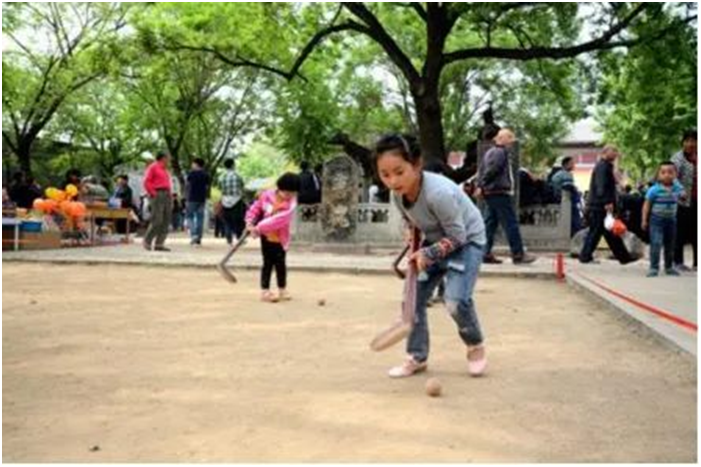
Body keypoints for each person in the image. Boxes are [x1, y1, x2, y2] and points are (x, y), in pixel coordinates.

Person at [374, 134, 488, 379]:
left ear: (416, 165)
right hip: (435, 239)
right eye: (385, 175)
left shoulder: (439, 193)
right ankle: (417, 357)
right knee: (412, 299)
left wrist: (429, 252)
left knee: (455, 301)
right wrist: (413, 242)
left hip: (468, 241)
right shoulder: (398, 194)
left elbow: (458, 236)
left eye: (399, 172)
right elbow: (414, 221)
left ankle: (475, 344)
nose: (392, 181)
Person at [476, 129, 536, 265]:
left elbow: (483, 170)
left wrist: (481, 185)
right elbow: (493, 170)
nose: (511, 142)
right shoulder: (499, 152)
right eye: (509, 138)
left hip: (492, 192)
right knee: (510, 223)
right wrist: (482, 184)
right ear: (501, 138)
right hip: (498, 192)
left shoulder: (491, 152)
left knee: (490, 224)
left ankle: (484, 253)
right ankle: (518, 254)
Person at [245, 173, 301, 303]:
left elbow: (277, 220)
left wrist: (258, 228)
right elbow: (256, 208)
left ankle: (282, 289)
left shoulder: (291, 204)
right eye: (287, 193)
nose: (289, 196)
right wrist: (249, 221)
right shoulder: (266, 196)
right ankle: (265, 291)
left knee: (281, 264)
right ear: (279, 188)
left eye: (292, 193)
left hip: (280, 239)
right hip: (266, 238)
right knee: (267, 264)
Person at [579, 145, 635, 265]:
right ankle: (585, 256)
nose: (616, 153)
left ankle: (624, 257)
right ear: (605, 152)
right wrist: (607, 202)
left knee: (609, 233)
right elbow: (601, 186)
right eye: (613, 151)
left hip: (600, 205)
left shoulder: (606, 167)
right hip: (599, 205)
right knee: (596, 232)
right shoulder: (602, 167)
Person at [642, 162, 687, 277]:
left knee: (670, 244)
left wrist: (680, 191)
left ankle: (669, 267)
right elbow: (646, 205)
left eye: (670, 172)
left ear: (675, 175)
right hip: (656, 221)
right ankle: (654, 267)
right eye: (663, 172)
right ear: (658, 175)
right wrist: (644, 220)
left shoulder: (677, 188)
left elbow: (684, 196)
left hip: (671, 221)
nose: (667, 175)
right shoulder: (654, 190)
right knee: (656, 243)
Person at [672, 129, 697, 272]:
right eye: (687, 141)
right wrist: (680, 190)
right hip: (681, 201)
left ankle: (696, 263)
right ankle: (678, 261)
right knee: (680, 232)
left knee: (696, 232)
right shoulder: (678, 158)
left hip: (696, 201)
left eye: (693, 140)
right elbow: (673, 176)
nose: (690, 144)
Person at [142, 151, 173, 252]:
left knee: (166, 220)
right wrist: (153, 193)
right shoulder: (153, 167)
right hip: (157, 193)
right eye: (168, 157)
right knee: (157, 219)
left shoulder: (165, 169)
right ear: (163, 158)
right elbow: (146, 181)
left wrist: (170, 195)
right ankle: (147, 240)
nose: (169, 159)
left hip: (167, 194)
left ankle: (159, 243)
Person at [550, 156, 583, 237]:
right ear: (566, 164)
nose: (574, 165)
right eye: (572, 163)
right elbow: (568, 187)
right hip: (567, 202)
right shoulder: (565, 175)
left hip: (561, 201)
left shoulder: (558, 174)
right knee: (575, 222)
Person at [218, 158, 245, 245]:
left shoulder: (222, 177)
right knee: (238, 220)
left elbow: (220, 188)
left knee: (227, 220)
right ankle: (239, 237)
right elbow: (242, 185)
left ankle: (229, 238)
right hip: (236, 200)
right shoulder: (237, 175)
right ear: (233, 165)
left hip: (225, 200)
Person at [185, 158, 210, 246]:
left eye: (193, 164)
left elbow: (187, 185)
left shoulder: (191, 174)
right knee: (200, 218)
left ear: (196, 164)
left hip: (191, 198)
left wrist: (186, 196)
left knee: (189, 217)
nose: (192, 165)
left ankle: (193, 234)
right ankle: (199, 238)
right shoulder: (206, 175)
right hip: (202, 199)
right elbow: (207, 187)